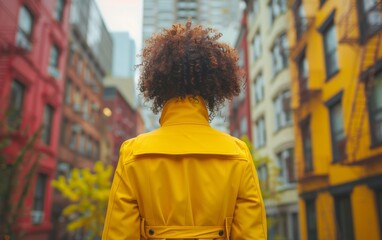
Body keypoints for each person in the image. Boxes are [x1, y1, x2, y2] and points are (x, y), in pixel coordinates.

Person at [102, 20, 267, 240]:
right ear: (213, 89)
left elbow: (118, 235)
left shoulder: (133, 153)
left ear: (158, 87)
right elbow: (251, 235)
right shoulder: (238, 154)